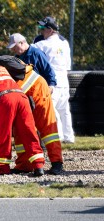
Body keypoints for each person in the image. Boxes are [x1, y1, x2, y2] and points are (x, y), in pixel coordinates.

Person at [0, 55, 63, 175]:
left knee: (47, 128)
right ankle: (24, 165)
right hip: (24, 95)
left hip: (36, 90)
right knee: (21, 129)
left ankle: (57, 162)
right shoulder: (3, 62)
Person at [33, 16, 75, 144]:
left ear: (50, 30)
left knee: (52, 108)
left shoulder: (42, 44)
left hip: (51, 81)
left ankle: (59, 136)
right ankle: (69, 137)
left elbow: (27, 50)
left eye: (42, 28)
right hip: (64, 79)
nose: (40, 31)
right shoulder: (64, 43)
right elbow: (68, 65)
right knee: (64, 109)